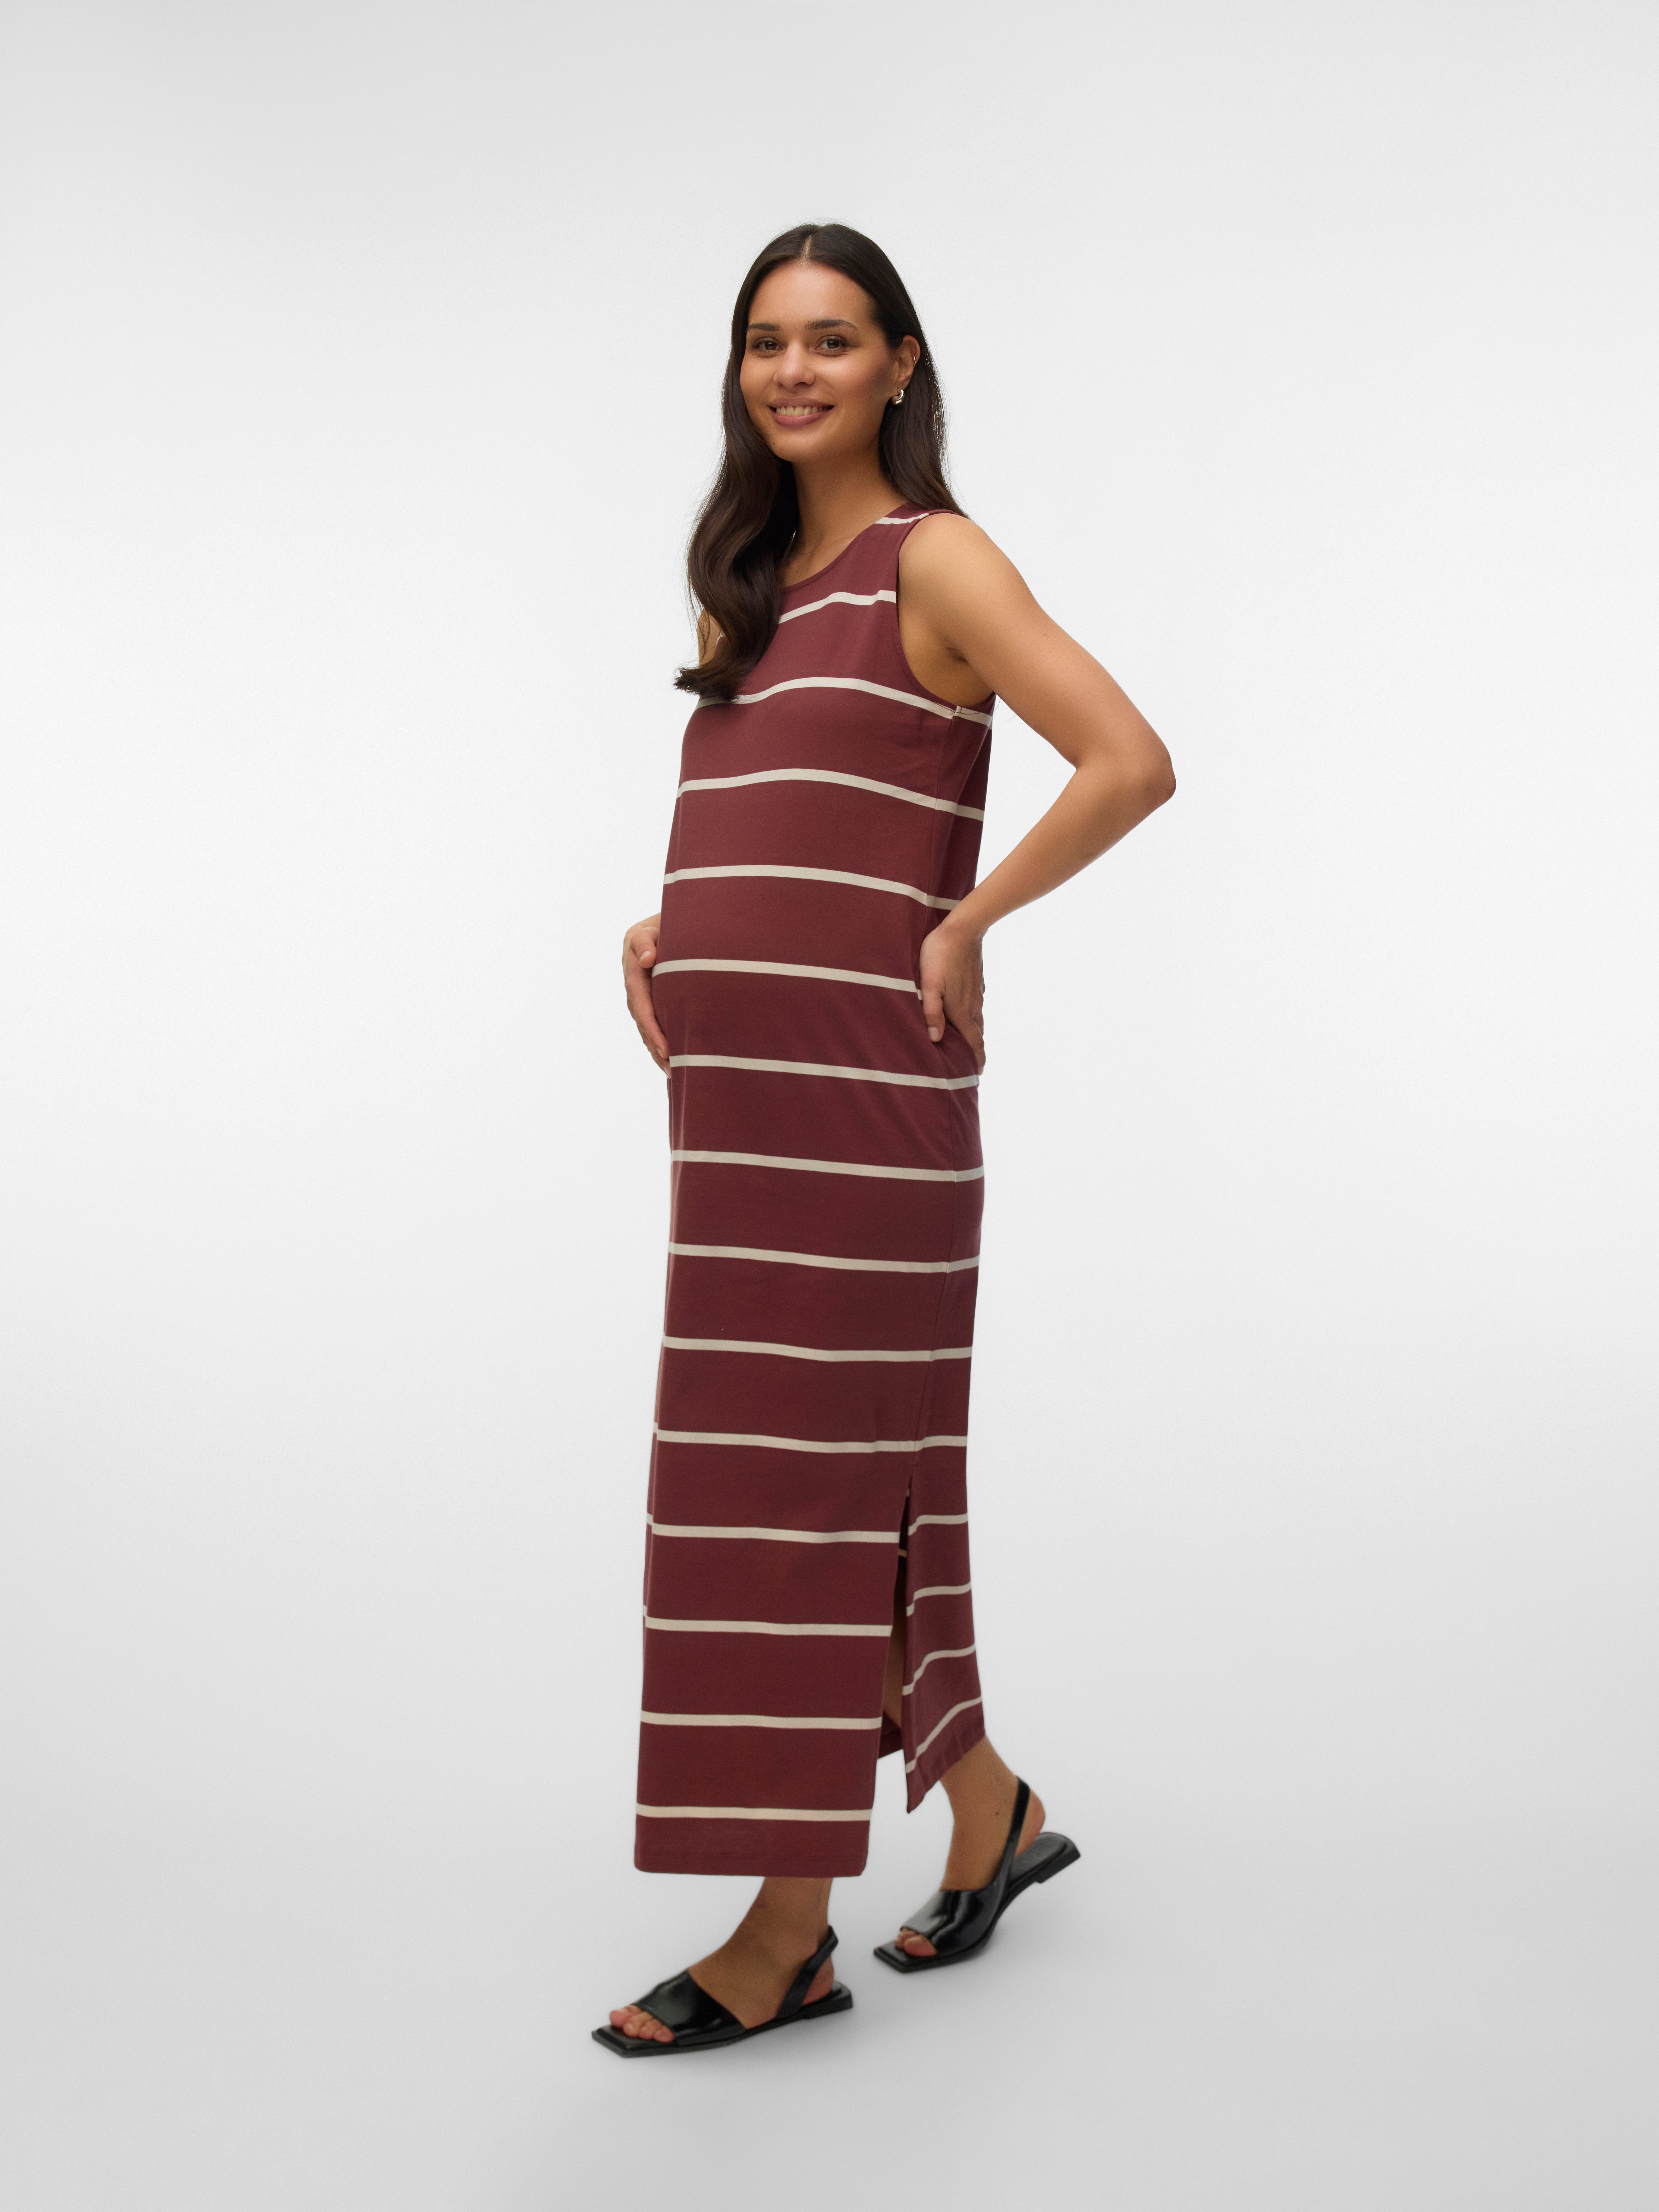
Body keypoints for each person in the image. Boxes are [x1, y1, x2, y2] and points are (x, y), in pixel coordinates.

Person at [595, 223, 1174, 2056]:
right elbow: (789, 812)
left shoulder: (940, 559)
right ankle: (989, 1807)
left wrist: (969, 919)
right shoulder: (745, 583)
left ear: (900, 364)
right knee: (771, 1480)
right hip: (738, 1125)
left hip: (867, 1124)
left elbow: (1130, 758)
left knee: (810, 1495)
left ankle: (787, 1936)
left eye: (834, 339)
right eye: (766, 341)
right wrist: (677, 922)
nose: (794, 372)